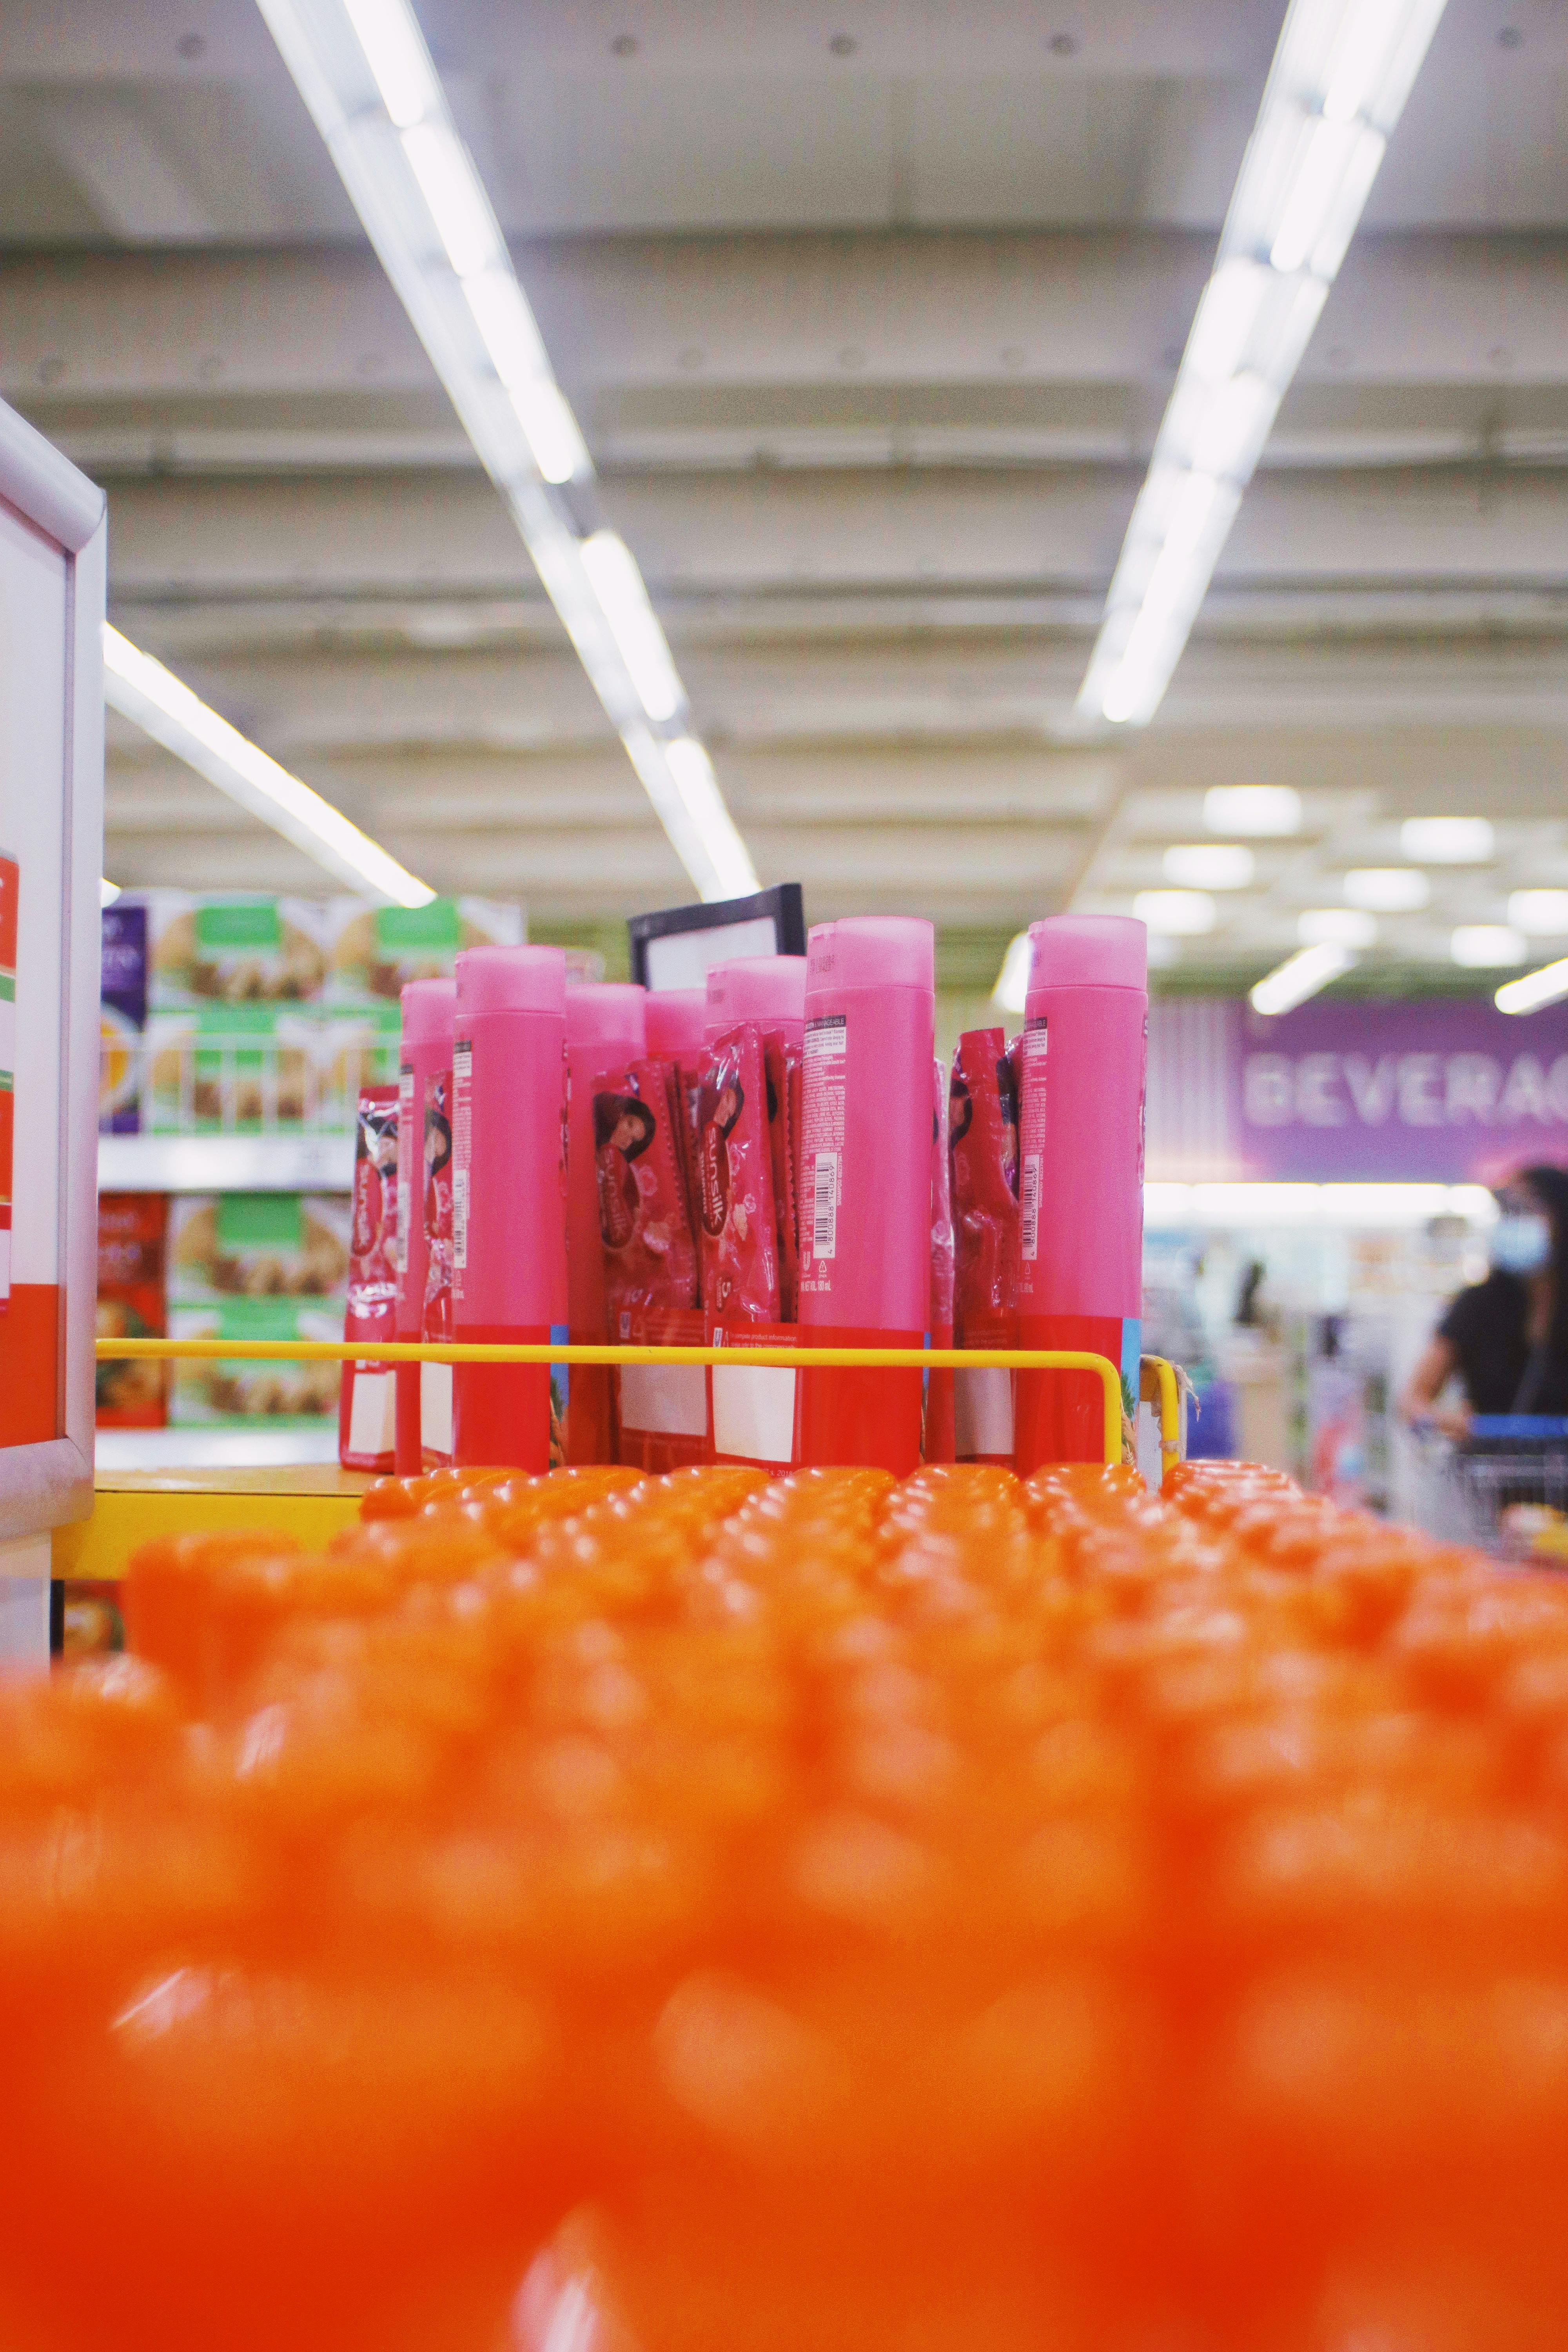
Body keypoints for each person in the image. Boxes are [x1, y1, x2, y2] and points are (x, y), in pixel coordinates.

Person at [1400, 1164, 1568, 1434]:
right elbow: (1413, 1401)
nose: (1515, 1221)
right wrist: (1447, 1421)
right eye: (1509, 1211)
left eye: (1528, 1210)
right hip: (1488, 1468)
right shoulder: (1478, 1304)